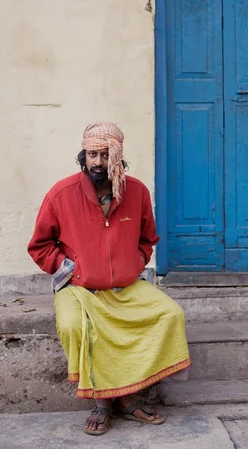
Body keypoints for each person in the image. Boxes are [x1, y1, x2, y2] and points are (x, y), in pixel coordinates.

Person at [28, 122, 191, 436]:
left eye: (105, 155)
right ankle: (104, 402)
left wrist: (134, 263)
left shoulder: (137, 192)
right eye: (92, 154)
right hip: (78, 288)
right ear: (83, 156)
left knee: (170, 314)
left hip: (126, 287)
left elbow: (147, 239)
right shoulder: (61, 193)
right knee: (76, 325)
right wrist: (71, 270)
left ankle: (130, 393)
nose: (98, 162)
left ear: (117, 157)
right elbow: (40, 245)